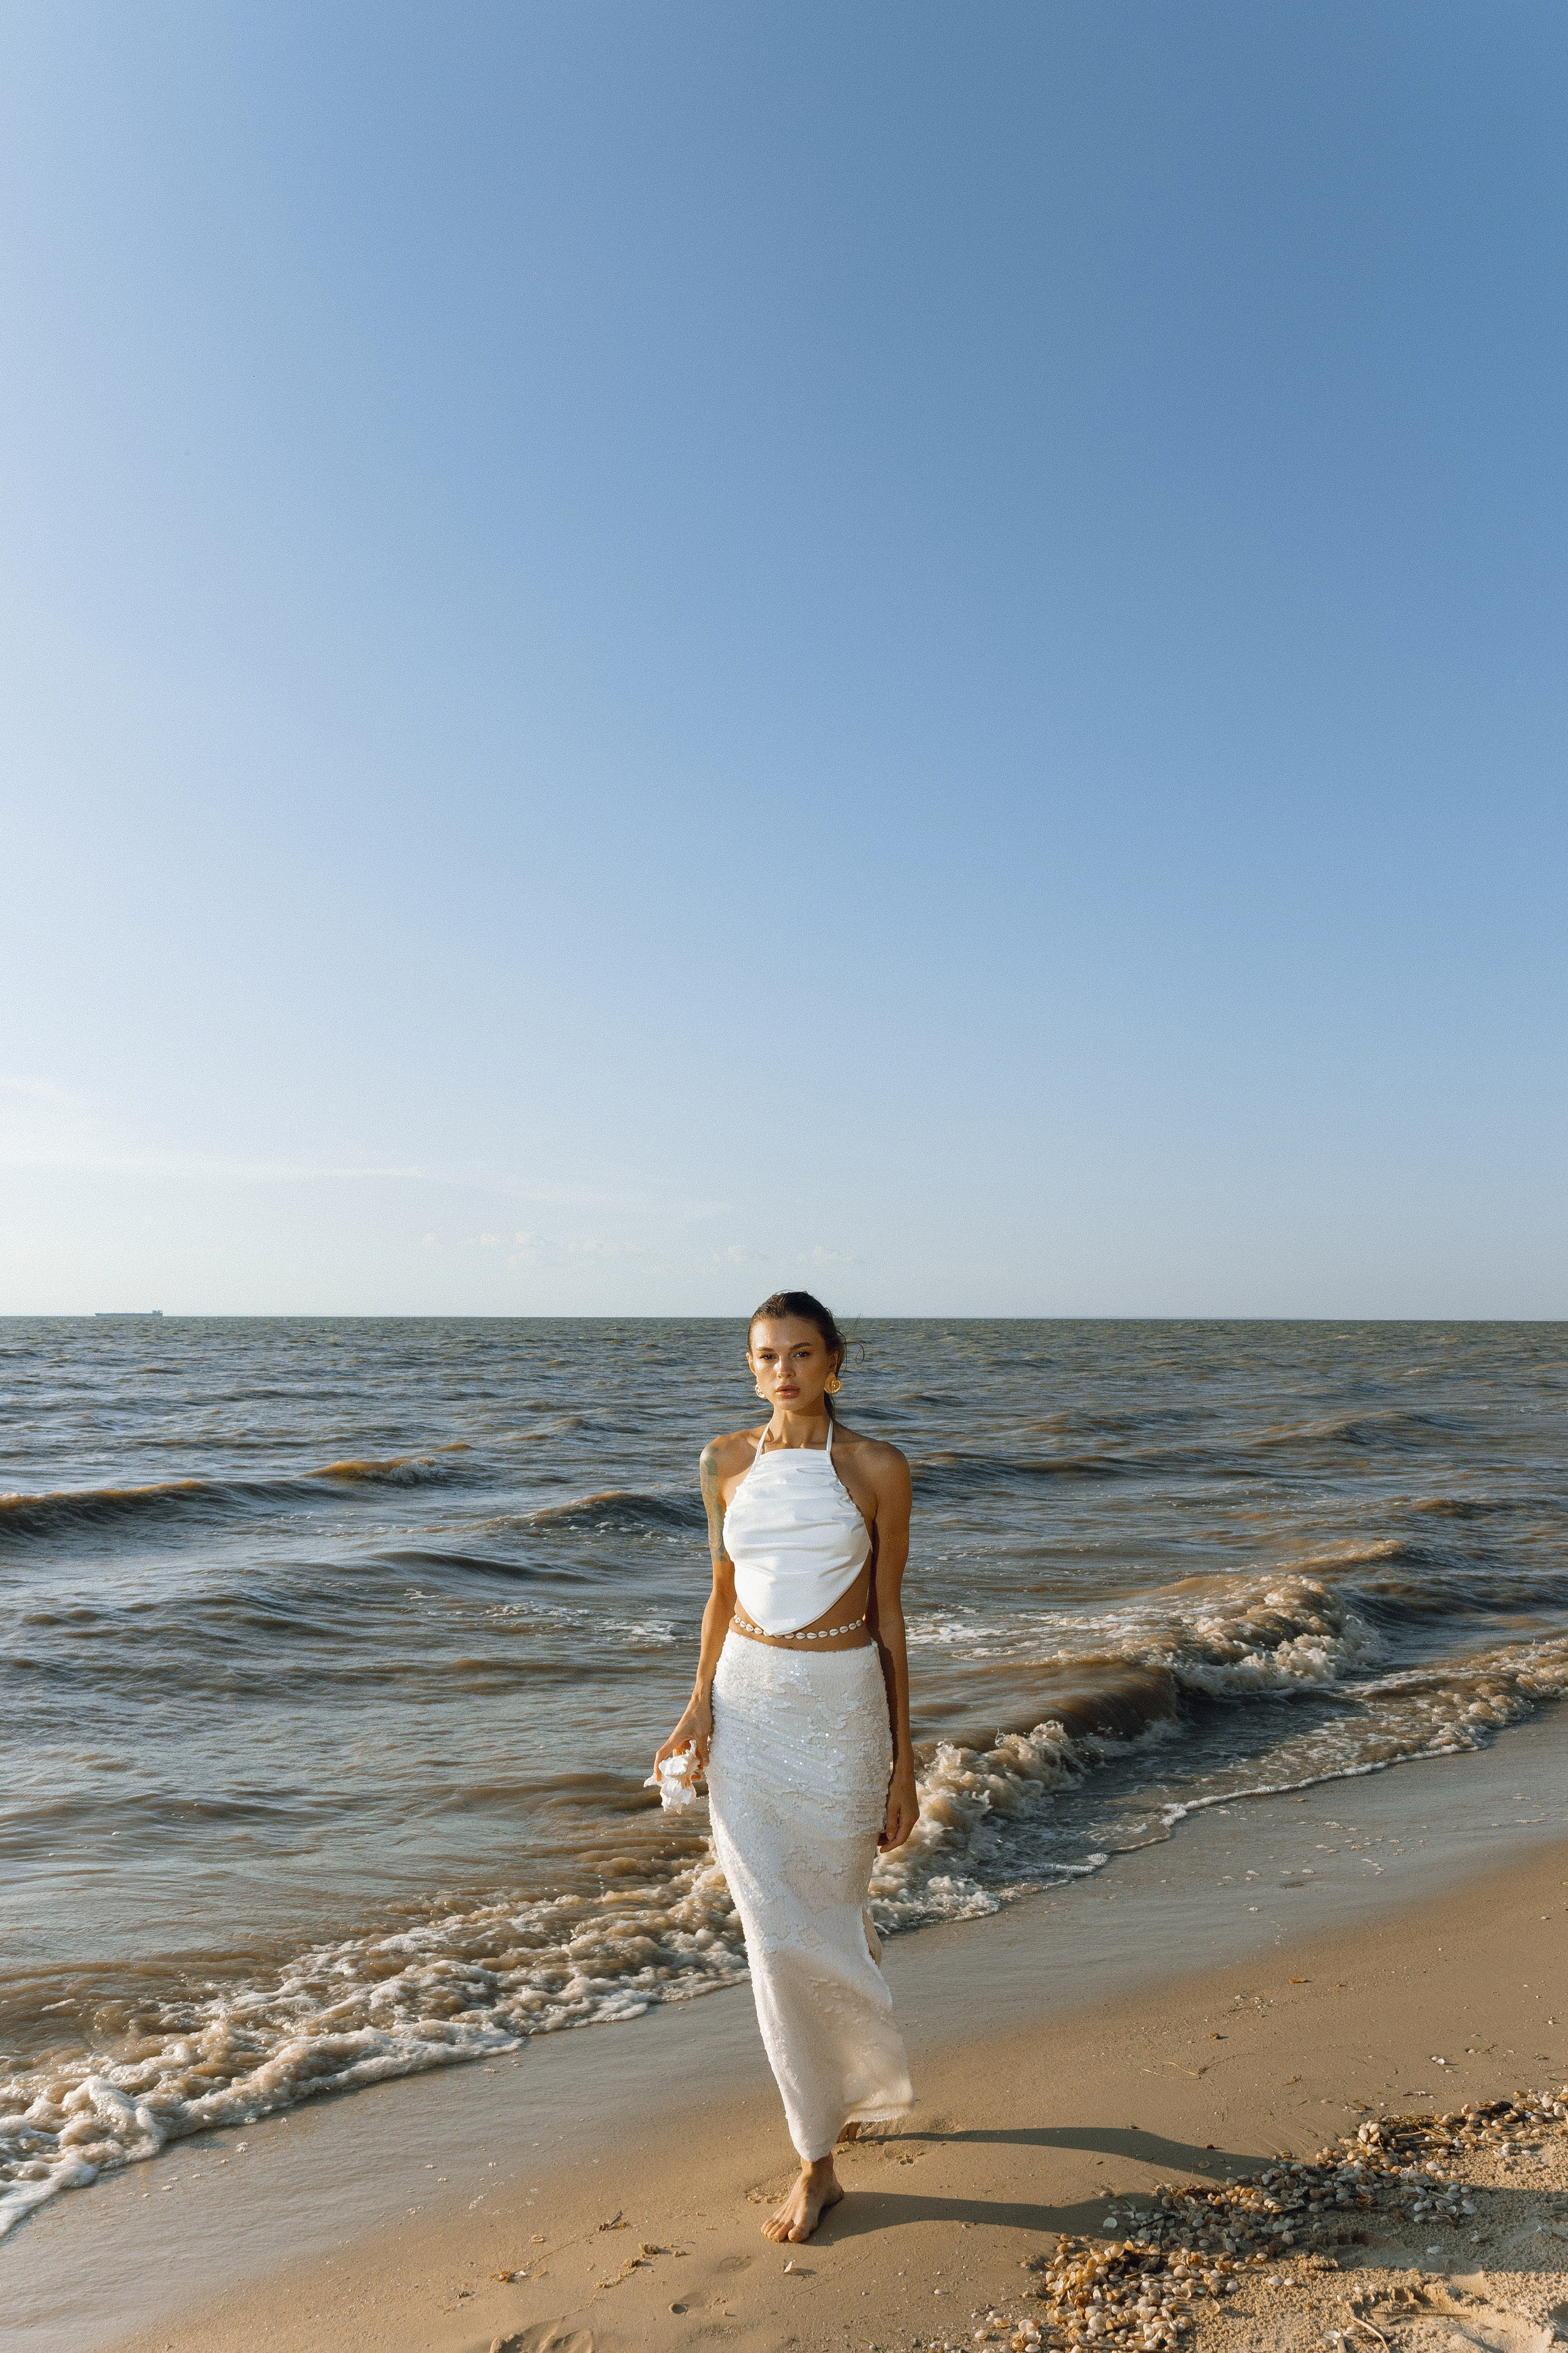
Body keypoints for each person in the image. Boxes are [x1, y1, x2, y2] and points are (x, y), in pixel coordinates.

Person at [654, 1291, 919, 2244]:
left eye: (802, 1354)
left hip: (842, 1707)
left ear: (834, 1360)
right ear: (751, 1365)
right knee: (773, 1934)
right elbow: (719, 1592)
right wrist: (696, 1706)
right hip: (748, 1708)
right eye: (767, 1356)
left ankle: (852, 2065)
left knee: (834, 1911)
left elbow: (889, 1616)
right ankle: (816, 2159)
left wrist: (904, 1761)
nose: (784, 1371)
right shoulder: (722, 1461)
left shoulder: (877, 1467)